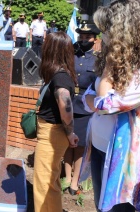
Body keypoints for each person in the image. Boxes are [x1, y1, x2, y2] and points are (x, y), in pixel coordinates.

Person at [80, 0, 140, 211]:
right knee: (101, 206)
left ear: (125, 31)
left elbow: (105, 104)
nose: (103, 36)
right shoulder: (122, 60)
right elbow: (87, 97)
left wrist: (107, 71)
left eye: (108, 30)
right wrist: (95, 100)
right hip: (101, 147)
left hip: (126, 160)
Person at [34, 32, 79, 212]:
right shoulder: (59, 74)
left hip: (52, 133)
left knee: (43, 185)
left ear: (52, 49)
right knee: (50, 183)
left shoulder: (60, 77)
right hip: (52, 132)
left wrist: (70, 133)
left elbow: (65, 106)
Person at [62, 20, 99, 196]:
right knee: (67, 143)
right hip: (69, 102)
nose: (84, 39)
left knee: (81, 145)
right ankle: (67, 177)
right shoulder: (71, 54)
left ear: (94, 39)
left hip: (85, 106)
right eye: (81, 36)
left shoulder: (99, 60)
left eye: (88, 37)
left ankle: (76, 180)